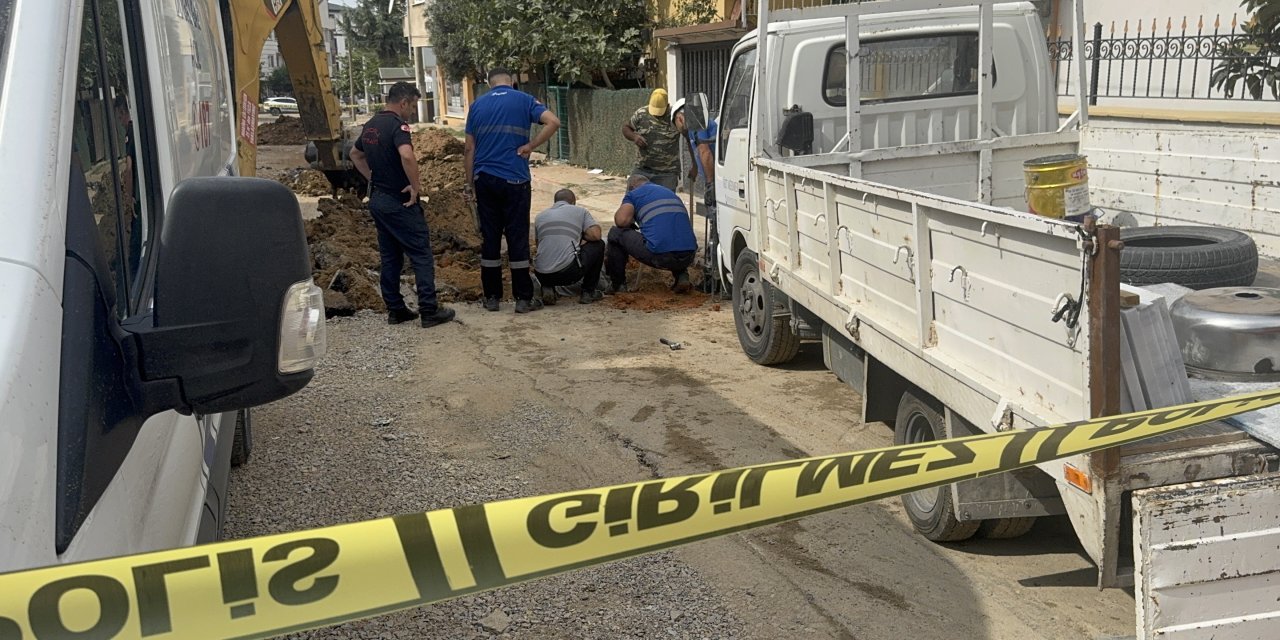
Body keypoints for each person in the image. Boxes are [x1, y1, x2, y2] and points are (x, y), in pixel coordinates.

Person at [349, 81, 455, 328]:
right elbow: (407, 155)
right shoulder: (399, 126)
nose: (412, 112)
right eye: (413, 106)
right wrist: (415, 187)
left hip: (378, 200)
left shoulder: (371, 125)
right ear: (403, 102)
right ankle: (429, 310)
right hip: (400, 201)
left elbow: (355, 154)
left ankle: (395, 309)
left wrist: (372, 178)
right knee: (421, 253)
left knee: (390, 256)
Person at [464, 67, 561, 314]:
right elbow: (554, 122)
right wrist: (531, 145)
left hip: (484, 179)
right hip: (515, 180)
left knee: (491, 238)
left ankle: (492, 297)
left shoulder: (477, 106)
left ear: (489, 84)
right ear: (513, 81)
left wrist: (470, 183)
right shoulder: (525, 100)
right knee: (517, 238)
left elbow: (469, 149)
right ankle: (522, 299)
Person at [606, 174, 698, 293]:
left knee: (616, 233)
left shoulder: (633, 194)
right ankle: (682, 277)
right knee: (672, 236)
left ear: (631, 187)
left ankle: (617, 285)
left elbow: (622, 221)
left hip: (661, 256)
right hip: (689, 255)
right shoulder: (670, 193)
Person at [533, 189, 604, 305]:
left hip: (541, 274)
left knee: (549, 253)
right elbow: (596, 235)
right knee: (598, 244)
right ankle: (588, 292)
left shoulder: (540, 216)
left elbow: (539, 245)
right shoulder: (580, 211)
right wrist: (581, 237)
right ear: (573, 201)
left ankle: (548, 287)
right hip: (568, 273)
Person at [622, 88, 681, 192]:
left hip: (667, 173)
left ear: (667, 106)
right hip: (643, 169)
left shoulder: (675, 117)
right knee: (632, 200)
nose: (656, 114)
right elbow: (626, 128)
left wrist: (694, 164)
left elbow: (689, 136)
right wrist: (634, 137)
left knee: (663, 206)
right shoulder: (641, 114)